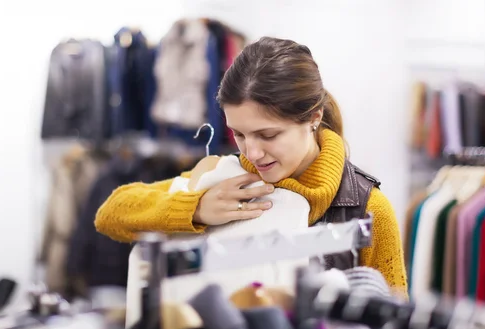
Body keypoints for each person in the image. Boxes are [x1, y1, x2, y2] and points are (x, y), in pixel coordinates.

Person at [94, 37, 408, 294]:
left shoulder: (366, 209)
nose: (253, 152)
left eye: (268, 134)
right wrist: (196, 208)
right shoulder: (226, 179)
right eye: (239, 134)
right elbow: (112, 213)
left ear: (314, 118)